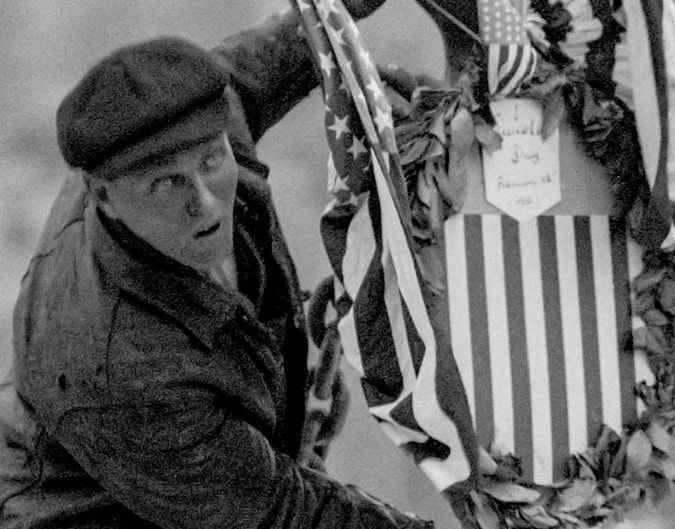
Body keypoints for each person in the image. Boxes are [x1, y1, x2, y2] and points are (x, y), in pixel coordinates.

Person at [0, 3, 434, 528]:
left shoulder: (179, 132)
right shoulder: (119, 367)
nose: (205, 203)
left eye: (211, 162)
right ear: (103, 196)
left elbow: (276, 51)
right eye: (168, 184)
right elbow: (282, 512)